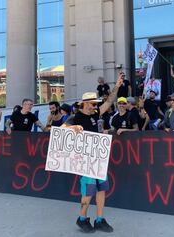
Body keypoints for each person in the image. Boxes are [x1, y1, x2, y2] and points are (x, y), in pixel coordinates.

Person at [62, 73, 124, 233]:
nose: (95, 106)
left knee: (101, 189)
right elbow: (59, 131)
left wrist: (117, 86)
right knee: (88, 192)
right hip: (84, 160)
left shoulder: (96, 114)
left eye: (96, 104)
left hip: (98, 157)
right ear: (84, 104)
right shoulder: (75, 118)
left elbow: (110, 101)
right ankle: (82, 219)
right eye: (92, 104)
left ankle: (99, 219)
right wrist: (72, 128)